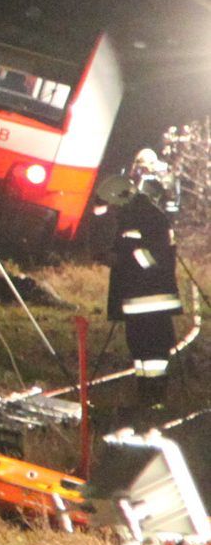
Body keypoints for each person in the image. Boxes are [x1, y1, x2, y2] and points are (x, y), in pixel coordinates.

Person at [108, 151, 183, 414]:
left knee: (141, 350)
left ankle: (147, 398)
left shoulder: (133, 213)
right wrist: (154, 270)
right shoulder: (150, 214)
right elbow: (146, 254)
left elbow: (126, 248)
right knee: (154, 351)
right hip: (152, 296)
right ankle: (154, 400)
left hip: (136, 297)